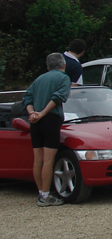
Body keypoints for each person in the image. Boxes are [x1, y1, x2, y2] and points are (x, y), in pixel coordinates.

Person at [22, 53, 71, 206]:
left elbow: (27, 98)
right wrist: (43, 113)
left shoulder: (39, 79)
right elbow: (58, 98)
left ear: (47, 66)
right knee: (48, 160)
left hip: (35, 121)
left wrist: (33, 113)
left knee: (38, 159)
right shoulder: (63, 78)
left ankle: (41, 193)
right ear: (63, 65)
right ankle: (45, 195)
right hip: (50, 119)